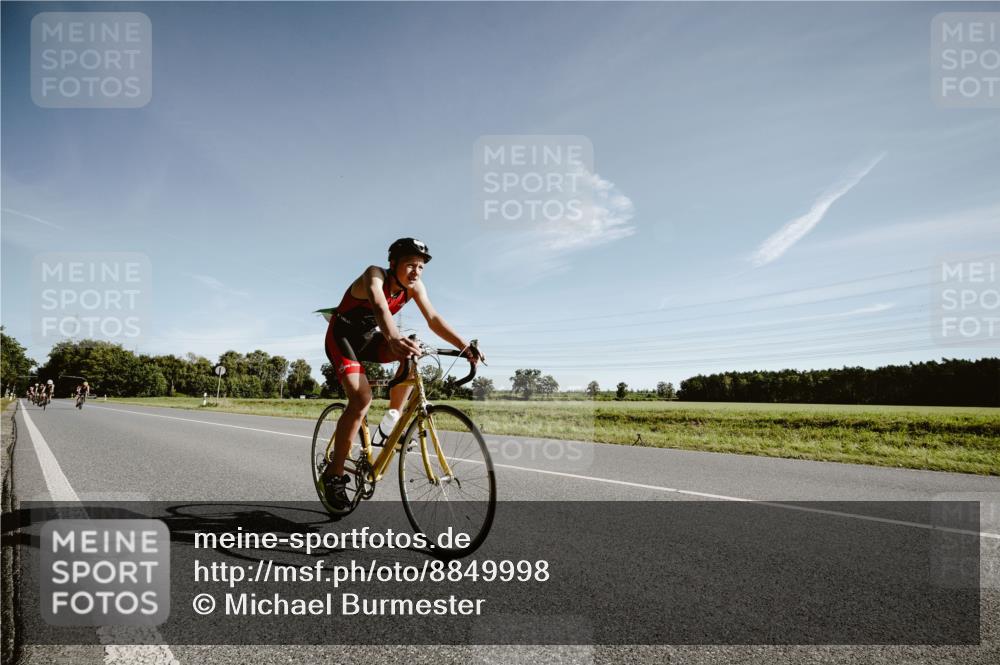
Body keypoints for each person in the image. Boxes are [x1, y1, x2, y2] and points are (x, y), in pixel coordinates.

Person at [319, 238, 484, 513]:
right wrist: (394, 338)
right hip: (343, 337)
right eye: (410, 265)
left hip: (372, 338)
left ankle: (392, 419)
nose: (416, 272)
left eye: (420, 267)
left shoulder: (414, 287)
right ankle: (333, 475)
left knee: (413, 348)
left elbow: (432, 318)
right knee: (360, 399)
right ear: (393, 264)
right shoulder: (374, 275)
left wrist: (464, 346)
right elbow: (381, 308)